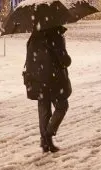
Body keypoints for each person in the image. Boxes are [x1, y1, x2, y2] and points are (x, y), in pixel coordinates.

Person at [23, 25, 72, 153]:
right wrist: (67, 58)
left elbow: (30, 59)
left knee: (44, 109)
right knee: (62, 106)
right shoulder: (55, 35)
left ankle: (45, 142)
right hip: (53, 79)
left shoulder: (34, 36)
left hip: (37, 79)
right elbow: (64, 60)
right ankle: (48, 135)